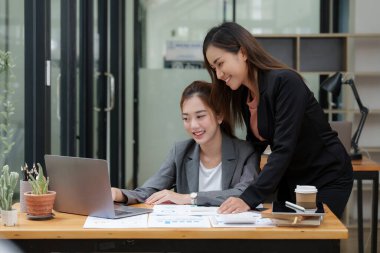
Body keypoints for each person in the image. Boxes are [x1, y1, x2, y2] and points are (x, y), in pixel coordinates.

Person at [202, 22, 353, 218]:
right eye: (214, 68)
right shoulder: (243, 95)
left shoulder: (286, 82)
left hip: (326, 177)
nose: (219, 74)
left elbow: (283, 148)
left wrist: (248, 198)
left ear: (243, 52)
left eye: (220, 63)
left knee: (315, 243)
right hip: (292, 180)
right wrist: (237, 186)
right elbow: (253, 147)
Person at [112, 80, 259, 206]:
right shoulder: (180, 151)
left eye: (200, 116)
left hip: (229, 234)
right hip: (188, 234)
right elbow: (149, 191)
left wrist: (189, 198)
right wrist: (118, 194)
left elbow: (245, 193)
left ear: (219, 115)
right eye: (186, 118)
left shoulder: (245, 151)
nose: (193, 125)